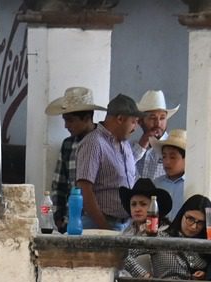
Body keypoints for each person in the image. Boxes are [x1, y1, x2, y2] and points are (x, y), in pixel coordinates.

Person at [75, 94, 142, 227]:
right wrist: (103, 226)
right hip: (100, 223)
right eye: (133, 122)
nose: (135, 128)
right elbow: (85, 189)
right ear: (120, 119)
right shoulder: (93, 143)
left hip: (125, 224)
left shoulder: (125, 144)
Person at [43, 86, 98, 230]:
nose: (66, 125)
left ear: (86, 118)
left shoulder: (102, 142)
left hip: (96, 221)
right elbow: (58, 184)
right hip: (70, 220)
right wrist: (58, 217)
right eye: (65, 120)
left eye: (70, 120)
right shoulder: (68, 144)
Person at [135, 90, 177, 179]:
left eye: (162, 118)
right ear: (140, 121)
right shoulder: (131, 148)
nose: (158, 123)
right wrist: (141, 145)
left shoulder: (175, 149)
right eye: (152, 118)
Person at [152, 130, 186, 212]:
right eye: (164, 156)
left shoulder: (192, 185)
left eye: (173, 157)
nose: (167, 162)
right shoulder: (155, 184)